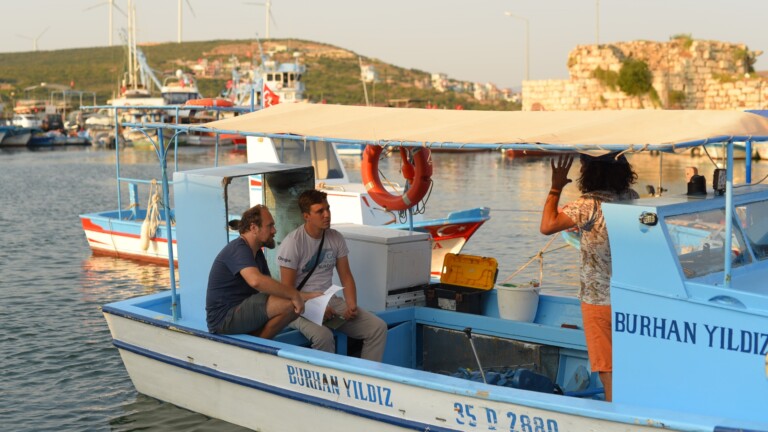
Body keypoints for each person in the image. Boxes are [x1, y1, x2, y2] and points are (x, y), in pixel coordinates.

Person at [539, 152, 639, 402]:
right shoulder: (631, 198)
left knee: (607, 366)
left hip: (598, 299)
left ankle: (615, 416)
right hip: (627, 295)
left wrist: (555, 187)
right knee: (628, 361)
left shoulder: (587, 205)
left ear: (590, 173)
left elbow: (547, 226)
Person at [277, 189, 388, 362]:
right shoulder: (293, 243)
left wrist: (351, 304)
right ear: (306, 216)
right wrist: (315, 306)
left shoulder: (335, 237)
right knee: (323, 336)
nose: (327, 215)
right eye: (319, 211)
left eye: (327, 209)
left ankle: (367, 378)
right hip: (298, 306)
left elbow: (346, 276)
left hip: (330, 301)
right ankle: (325, 385)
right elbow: (287, 292)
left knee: (377, 328)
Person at [206, 204, 317, 339]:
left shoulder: (257, 253)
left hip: (241, 311)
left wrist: (310, 297)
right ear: (254, 228)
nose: (274, 230)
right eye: (270, 226)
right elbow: (256, 281)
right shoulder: (238, 249)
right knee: (290, 304)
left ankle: (260, 340)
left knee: (293, 306)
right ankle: (258, 346)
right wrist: (294, 295)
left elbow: (271, 291)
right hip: (223, 319)